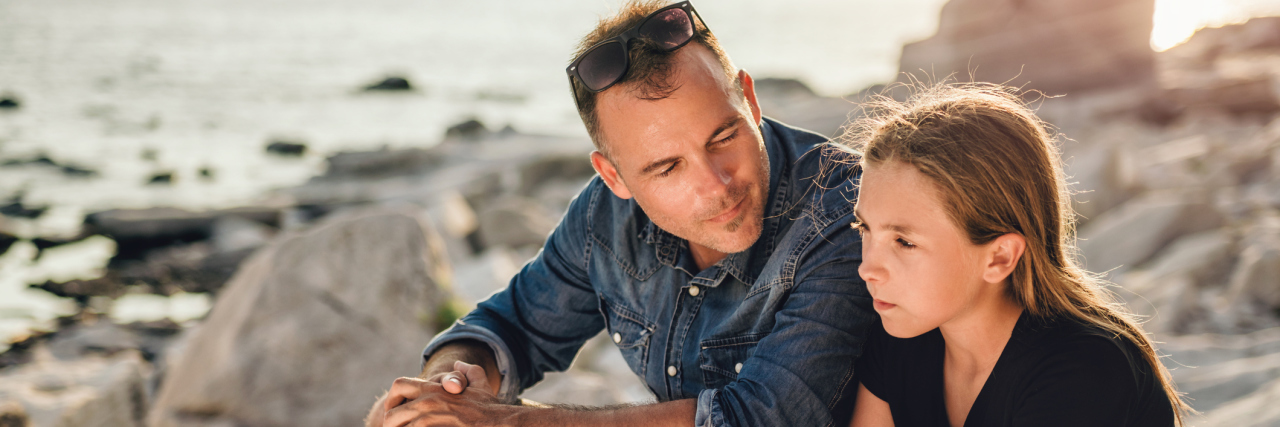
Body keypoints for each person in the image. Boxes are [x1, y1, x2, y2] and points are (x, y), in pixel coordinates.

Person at [366, 1, 873, 426]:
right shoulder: (604, 216)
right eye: (667, 168)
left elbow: (758, 417)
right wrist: (446, 388)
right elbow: (511, 326)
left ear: (751, 102)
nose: (716, 185)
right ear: (614, 177)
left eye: (724, 136)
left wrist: (504, 420)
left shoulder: (848, 210)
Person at [845, 83, 1191, 427]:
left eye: (904, 242)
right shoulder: (901, 338)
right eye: (864, 229)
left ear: (999, 258)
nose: (868, 268)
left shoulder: (1085, 371)